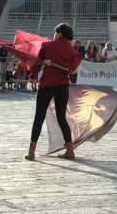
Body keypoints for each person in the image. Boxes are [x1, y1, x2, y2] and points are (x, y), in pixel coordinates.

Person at [25, 23, 82, 161]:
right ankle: (70, 151)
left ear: (60, 34)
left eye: (55, 32)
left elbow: (37, 63)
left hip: (47, 85)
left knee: (39, 117)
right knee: (62, 118)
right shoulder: (72, 51)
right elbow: (73, 70)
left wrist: (32, 76)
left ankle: (31, 152)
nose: (54, 35)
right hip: (62, 86)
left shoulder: (47, 46)